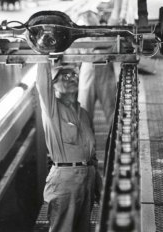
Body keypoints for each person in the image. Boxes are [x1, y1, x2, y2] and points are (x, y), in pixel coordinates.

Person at [36, 62, 101, 232]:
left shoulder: (83, 113)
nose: (71, 78)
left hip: (87, 179)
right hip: (65, 180)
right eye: (64, 76)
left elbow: (92, 156)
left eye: (73, 75)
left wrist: (99, 187)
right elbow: (42, 84)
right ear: (53, 84)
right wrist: (43, 56)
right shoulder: (52, 111)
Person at [75, 10, 117, 127]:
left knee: (112, 112)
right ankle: (87, 144)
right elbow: (73, 57)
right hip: (87, 71)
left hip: (104, 72)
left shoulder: (107, 33)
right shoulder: (79, 37)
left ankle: (114, 142)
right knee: (84, 113)